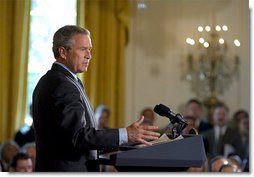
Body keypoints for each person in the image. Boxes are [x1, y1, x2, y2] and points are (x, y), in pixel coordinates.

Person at [32, 25, 160, 172]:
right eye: (82, 49)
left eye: (90, 49)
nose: (89, 55)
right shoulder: (62, 84)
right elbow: (78, 136)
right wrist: (125, 134)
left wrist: (128, 140)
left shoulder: (57, 80)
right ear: (63, 52)